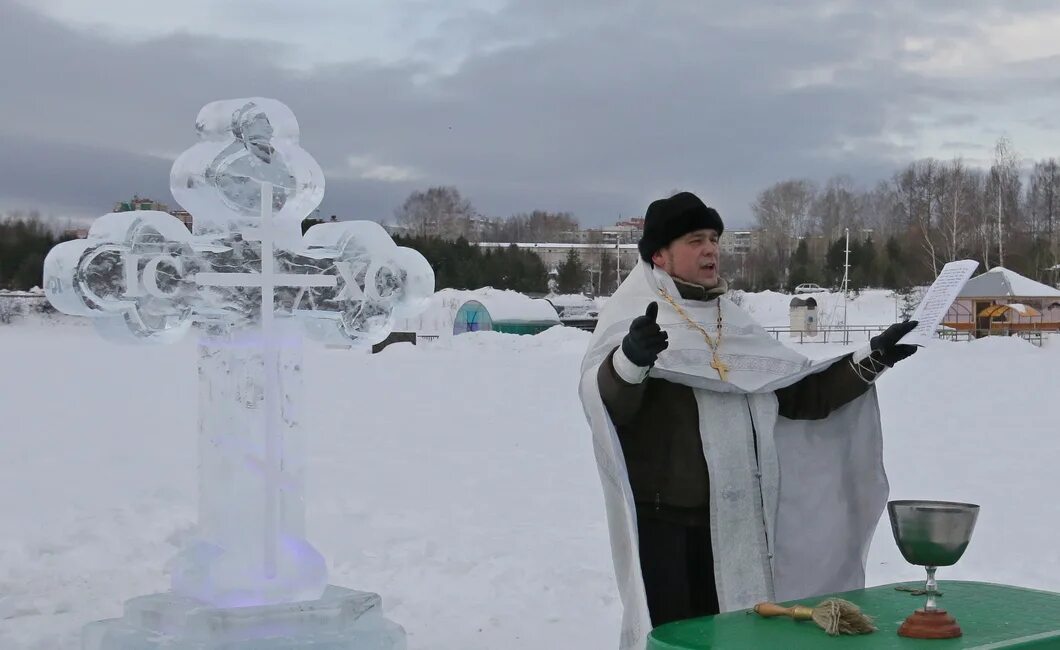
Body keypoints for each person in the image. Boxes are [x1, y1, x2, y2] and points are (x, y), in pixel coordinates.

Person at [578, 191, 917, 649]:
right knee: (673, 639)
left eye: (714, 238)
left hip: (738, 523)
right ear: (659, 253)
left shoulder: (733, 322)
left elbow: (800, 392)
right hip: (664, 527)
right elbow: (607, 407)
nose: (711, 250)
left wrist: (872, 358)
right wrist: (631, 362)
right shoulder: (633, 319)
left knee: (737, 637)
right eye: (695, 239)